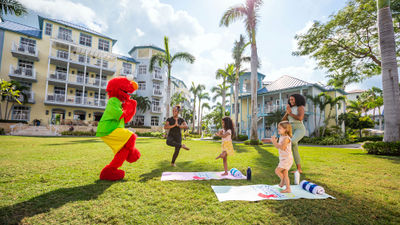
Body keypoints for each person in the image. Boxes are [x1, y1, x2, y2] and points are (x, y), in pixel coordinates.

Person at [282, 94, 306, 173]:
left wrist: (290, 113)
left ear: (297, 100)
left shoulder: (300, 107)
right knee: (294, 149)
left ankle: (284, 165)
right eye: (290, 100)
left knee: (292, 142)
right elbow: (283, 120)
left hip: (299, 128)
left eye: (292, 99)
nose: (291, 101)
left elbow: (300, 118)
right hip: (291, 130)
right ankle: (299, 169)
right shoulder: (290, 109)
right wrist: (287, 111)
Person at [271, 121, 293, 193]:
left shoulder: (286, 138)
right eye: (278, 128)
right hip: (283, 159)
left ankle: (282, 181)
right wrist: (274, 141)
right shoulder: (281, 137)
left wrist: (274, 142)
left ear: (286, 129)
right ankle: (288, 188)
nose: (278, 129)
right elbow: (278, 146)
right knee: (285, 174)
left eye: (280, 128)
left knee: (277, 171)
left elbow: (282, 147)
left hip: (286, 159)